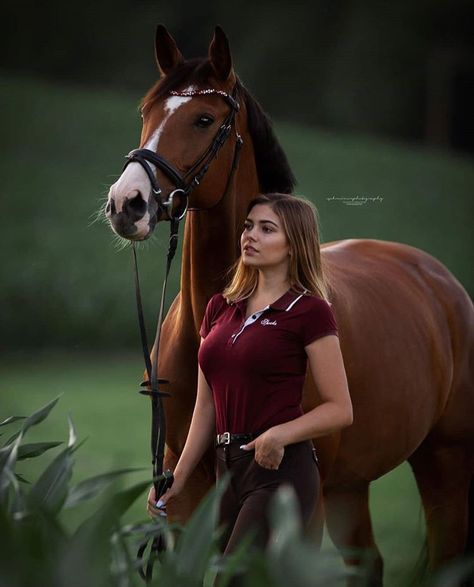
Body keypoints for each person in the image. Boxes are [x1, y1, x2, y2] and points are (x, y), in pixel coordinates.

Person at [147, 192, 353, 559]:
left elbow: (340, 409)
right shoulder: (219, 308)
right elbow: (205, 407)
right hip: (227, 472)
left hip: (280, 470)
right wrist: (175, 479)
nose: (249, 236)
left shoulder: (310, 312)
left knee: (232, 577)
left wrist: (280, 434)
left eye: (266, 229)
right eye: (248, 227)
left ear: (293, 246)